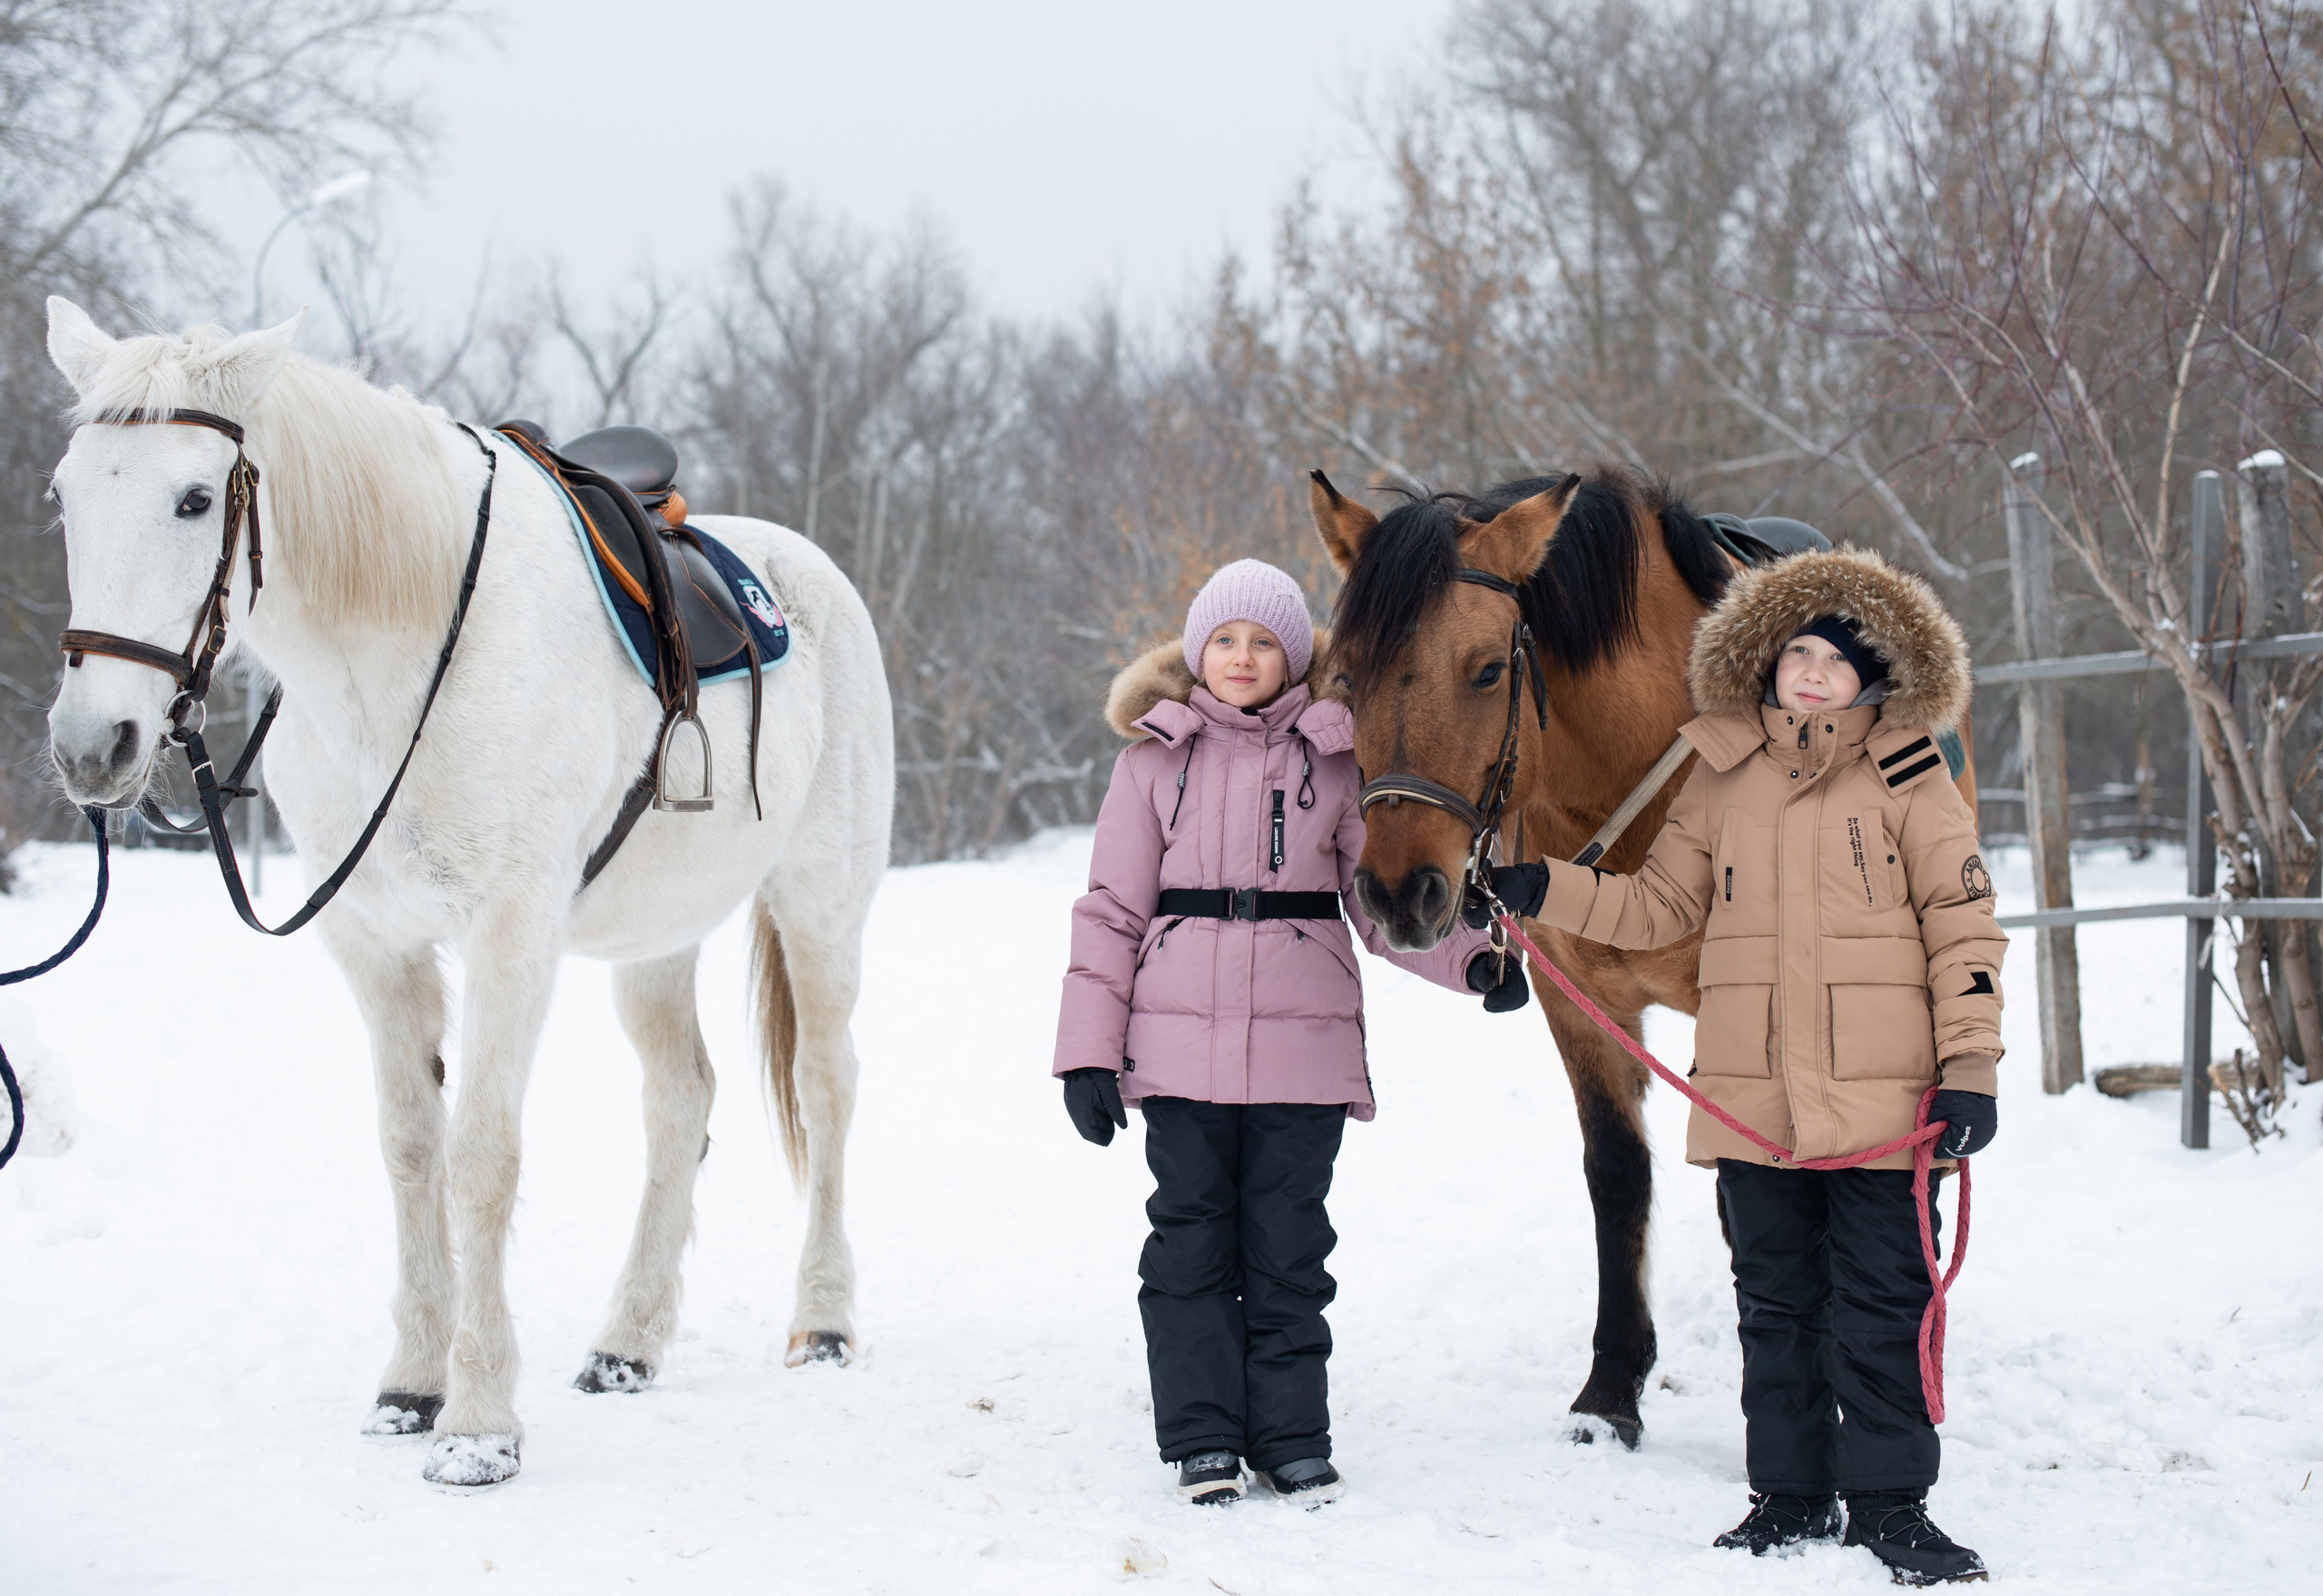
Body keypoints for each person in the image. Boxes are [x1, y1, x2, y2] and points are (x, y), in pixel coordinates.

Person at [1487, 546, 2003, 1586]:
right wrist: (1544, 887)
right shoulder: (1716, 773)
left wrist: (1970, 1071)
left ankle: (1893, 1504)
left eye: (1835, 660)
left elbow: (1964, 927)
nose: (1810, 673)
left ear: (1875, 677)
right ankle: (1789, 1494)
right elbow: (1658, 908)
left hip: (1883, 1106)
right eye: (1795, 654)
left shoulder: (1912, 773)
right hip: (1753, 1103)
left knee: (1881, 1309)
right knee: (1772, 1308)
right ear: (1762, 663)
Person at [1053, 558, 1526, 1509]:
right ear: (1196, 652)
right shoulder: (1152, 760)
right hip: (1179, 1053)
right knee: (1188, 1248)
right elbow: (1108, 912)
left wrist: (1470, 956)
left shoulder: (1337, 759)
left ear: (1295, 655)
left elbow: (1377, 901)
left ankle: (1292, 1436)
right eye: (1224, 639)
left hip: (1300, 1060)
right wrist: (1086, 1052)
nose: (1241, 657)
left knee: (1288, 1250)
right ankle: (1200, 1437)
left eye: (1263, 641)